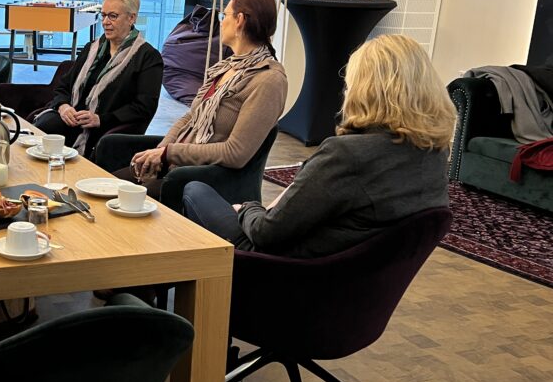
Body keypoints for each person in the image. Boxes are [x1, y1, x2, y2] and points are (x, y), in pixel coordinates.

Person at [182, 34, 455, 258]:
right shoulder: (434, 150)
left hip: (275, 271)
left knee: (194, 190)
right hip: (349, 288)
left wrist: (248, 208)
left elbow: (267, 232)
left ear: (365, 88)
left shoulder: (348, 155)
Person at [97, 0, 287, 200]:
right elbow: (191, 117)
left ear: (240, 20)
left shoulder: (268, 80)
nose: (221, 22)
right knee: (105, 188)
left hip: (202, 181)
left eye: (224, 16)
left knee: (115, 198)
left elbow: (236, 153)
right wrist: (161, 150)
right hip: (178, 166)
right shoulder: (227, 67)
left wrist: (169, 154)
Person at [31, 0, 163, 158]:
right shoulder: (92, 48)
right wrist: (63, 107)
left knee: (48, 133)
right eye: (103, 15)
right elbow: (63, 87)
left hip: (105, 130)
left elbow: (144, 107)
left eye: (113, 16)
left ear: (132, 18)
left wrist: (100, 119)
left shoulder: (148, 57)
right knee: (40, 130)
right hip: (71, 120)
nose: (105, 22)